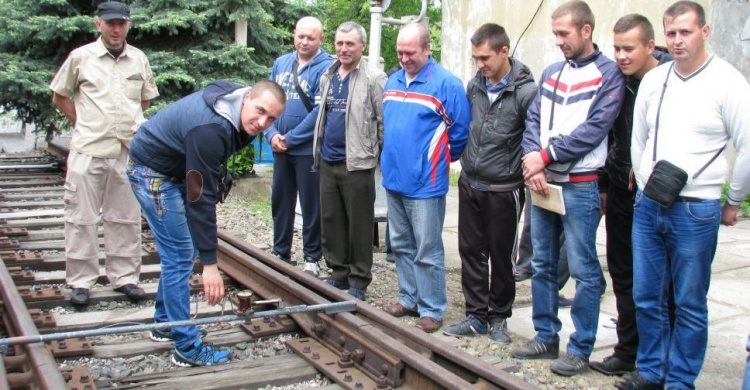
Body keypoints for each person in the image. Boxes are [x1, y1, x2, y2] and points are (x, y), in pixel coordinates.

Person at [616, 2, 750, 388]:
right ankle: (652, 370)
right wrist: (644, 184)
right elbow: (638, 138)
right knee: (646, 296)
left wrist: (733, 200)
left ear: (704, 33)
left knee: (689, 303)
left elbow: (745, 145)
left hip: (696, 208)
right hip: (649, 205)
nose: (677, 41)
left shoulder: (727, 82)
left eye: (685, 32)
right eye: (671, 33)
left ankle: (679, 380)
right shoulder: (656, 80)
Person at [127, 80, 286, 367]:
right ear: (247, 97)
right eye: (260, 111)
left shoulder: (235, 101)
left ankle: (166, 323)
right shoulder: (211, 130)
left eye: (272, 118)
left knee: (181, 252)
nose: (263, 122)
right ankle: (186, 347)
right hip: (152, 171)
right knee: (179, 254)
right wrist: (210, 265)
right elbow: (200, 198)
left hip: (175, 166)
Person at [511, 0, 624, 377]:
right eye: (555, 33)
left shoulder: (608, 74)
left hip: (580, 185)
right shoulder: (552, 72)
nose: (558, 40)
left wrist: (544, 156)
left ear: (586, 30)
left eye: (564, 33)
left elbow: (595, 129)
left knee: (583, 268)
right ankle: (546, 335)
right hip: (542, 182)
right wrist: (532, 161)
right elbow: (534, 120)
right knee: (542, 263)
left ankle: (580, 347)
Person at [50, 1, 159, 307]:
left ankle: (124, 277)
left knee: (124, 217)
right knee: (80, 218)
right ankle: (81, 281)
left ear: (128, 25)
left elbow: (145, 102)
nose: (115, 29)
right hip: (88, 150)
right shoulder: (80, 58)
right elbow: (60, 95)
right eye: (110, 23)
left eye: (121, 24)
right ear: (98, 24)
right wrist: (83, 123)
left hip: (126, 153)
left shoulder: (138, 59)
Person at [588, 14, 672, 378]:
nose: (620, 56)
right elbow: (610, 137)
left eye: (629, 48)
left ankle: (662, 361)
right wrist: (606, 187)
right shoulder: (617, 83)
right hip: (622, 190)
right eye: (617, 48)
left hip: (659, 196)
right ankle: (627, 350)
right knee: (623, 275)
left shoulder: (671, 81)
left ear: (650, 47)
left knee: (659, 284)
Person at [443, 23, 535, 343]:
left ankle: (499, 317)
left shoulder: (525, 92)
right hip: (471, 181)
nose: (480, 64)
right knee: (470, 251)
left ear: (504, 51)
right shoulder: (475, 85)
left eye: (485, 57)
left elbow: (533, 138)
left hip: (504, 188)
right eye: (475, 58)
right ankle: (476, 316)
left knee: (501, 256)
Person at [380, 22, 470, 333]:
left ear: (427, 48)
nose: (404, 58)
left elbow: (459, 136)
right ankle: (409, 299)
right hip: (393, 179)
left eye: (410, 52)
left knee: (427, 249)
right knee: (401, 245)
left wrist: (431, 163)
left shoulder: (447, 85)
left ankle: (432, 308)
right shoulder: (392, 82)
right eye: (400, 52)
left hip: (425, 184)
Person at [312, 22, 386, 301]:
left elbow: (383, 122)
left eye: (350, 44)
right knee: (332, 220)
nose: (344, 49)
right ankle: (338, 272)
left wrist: (379, 157)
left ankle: (359, 279)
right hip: (328, 160)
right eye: (340, 43)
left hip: (358, 163)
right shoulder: (328, 75)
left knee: (359, 224)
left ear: (362, 46)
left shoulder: (374, 78)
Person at [265, 16, 334, 273]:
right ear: (294, 34)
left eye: (311, 38)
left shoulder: (327, 67)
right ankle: (280, 250)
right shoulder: (281, 63)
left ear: (321, 39)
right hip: (279, 148)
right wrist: (271, 133)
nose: (304, 41)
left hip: (307, 150)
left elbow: (320, 111)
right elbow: (266, 99)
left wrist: (290, 138)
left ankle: (312, 256)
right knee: (280, 201)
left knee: (311, 204)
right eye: (300, 36)